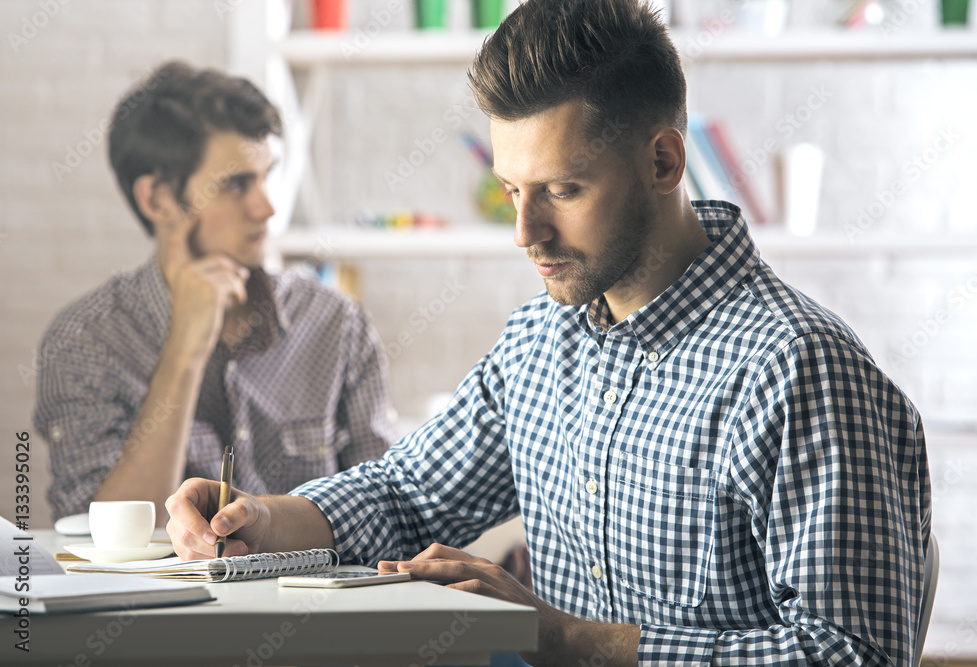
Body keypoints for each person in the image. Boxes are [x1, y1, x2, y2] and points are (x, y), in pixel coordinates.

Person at [164, 2, 931, 665]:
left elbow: (851, 652)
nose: (526, 231)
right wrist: (264, 519)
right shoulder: (541, 338)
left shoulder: (799, 369)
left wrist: (566, 640)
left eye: (563, 189)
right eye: (511, 191)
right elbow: (406, 494)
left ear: (664, 161)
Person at [34, 62, 395, 523]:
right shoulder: (84, 342)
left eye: (268, 176)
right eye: (236, 184)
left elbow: (387, 511)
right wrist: (185, 349)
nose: (267, 207)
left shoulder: (334, 322)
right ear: (158, 200)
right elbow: (102, 543)